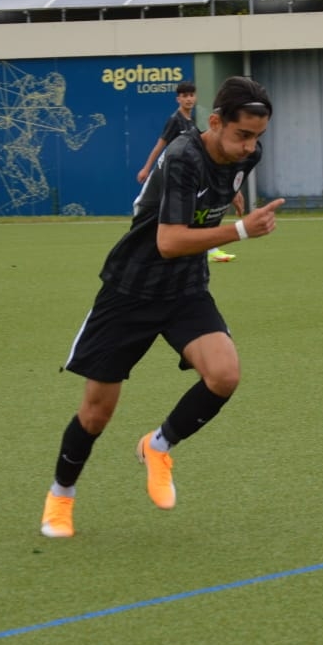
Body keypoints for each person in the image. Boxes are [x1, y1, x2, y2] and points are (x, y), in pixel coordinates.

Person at [41, 77, 284, 538]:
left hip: (186, 289)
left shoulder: (245, 156)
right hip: (130, 291)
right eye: (242, 135)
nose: (251, 147)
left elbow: (219, 191)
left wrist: (232, 200)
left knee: (224, 375)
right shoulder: (182, 156)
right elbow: (169, 242)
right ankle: (61, 495)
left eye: (258, 137)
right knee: (96, 412)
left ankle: (157, 446)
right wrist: (241, 230)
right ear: (216, 122)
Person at [138, 81, 238, 263]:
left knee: (198, 210)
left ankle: (210, 249)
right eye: (184, 96)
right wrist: (146, 168)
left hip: (183, 176)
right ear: (178, 99)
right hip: (166, 173)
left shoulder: (191, 123)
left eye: (191, 95)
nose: (189, 99)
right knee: (144, 210)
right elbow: (160, 145)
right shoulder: (175, 120)